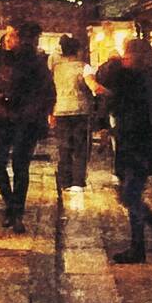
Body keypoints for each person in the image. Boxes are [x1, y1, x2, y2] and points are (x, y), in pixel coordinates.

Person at [96, 37, 152, 264]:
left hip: (135, 141)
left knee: (130, 194)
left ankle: (142, 244)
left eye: (127, 54)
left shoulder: (131, 78)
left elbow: (114, 99)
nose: (124, 57)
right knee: (130, 193)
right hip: (141, 141)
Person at [0, 21, 55, 233]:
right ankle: (11, 204)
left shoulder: (35, 62)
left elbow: (46, 92)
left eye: (12, 35)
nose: (8, 39)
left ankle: (16, 213)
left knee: (20, 166)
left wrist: (34, 112)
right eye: (6, 35)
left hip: (25, 121)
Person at [49, 34, 98, 191]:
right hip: (80, 111)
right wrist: (109, 92)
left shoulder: (56, 69)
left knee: (64, 146)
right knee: (80, 146)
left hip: (60, 110)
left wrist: (50, 112)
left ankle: (65, 180)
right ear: (78, 51)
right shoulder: (84, 67)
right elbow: (94, 86)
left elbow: (50, 90)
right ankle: (77, 182)